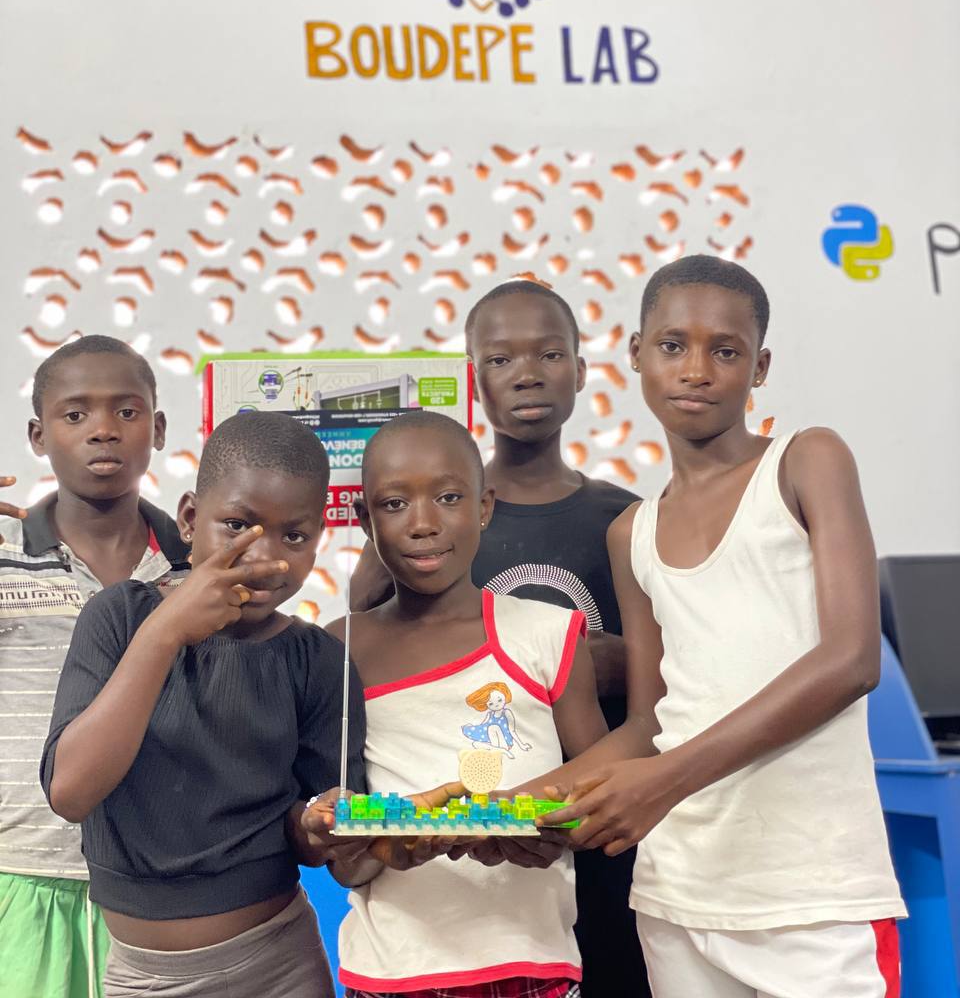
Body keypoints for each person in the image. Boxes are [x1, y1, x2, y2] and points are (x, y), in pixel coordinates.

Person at [538, 255, 906, 998]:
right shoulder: (632, 533)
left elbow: (851, 659)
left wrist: (664, 781)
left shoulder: (807, 462)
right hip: (677, 898)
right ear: (637, 354)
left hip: (816, 899)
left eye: (726, 351)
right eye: (673, 345)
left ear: (760, 367)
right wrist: (496, 808)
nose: (696, 370)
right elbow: (650, 724)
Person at [351, 279, 650, 997]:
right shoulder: (423, 524)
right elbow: (371, 647)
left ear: (582, 368)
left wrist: (595, 662)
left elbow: (660, 683)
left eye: (549, 354)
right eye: (500, 358)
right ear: (473, 376)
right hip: (442, 889)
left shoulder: (625, 518)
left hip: (585, 829)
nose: (527, 374)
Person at [40, 411, 366, 998]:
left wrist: (321, 827)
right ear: (190, 518)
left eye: (294, 537)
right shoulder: (120, 618)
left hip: (281, 965)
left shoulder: (318, 660)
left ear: (319, 538)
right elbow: (71, 793)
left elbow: (315, 837)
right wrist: (166, 632)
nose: (265, 557)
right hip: (142, 976)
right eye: (238, 525)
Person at [320, 409, 608, 997]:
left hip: (533, 962)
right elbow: (345, 856)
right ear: (365, 519)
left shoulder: (549, 632)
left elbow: (600, 789)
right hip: (391, 970)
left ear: (484, 507)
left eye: (449, 498)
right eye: (394, 504)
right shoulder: (339, 648)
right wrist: (381, 843)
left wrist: (549, 825)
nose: (423, 524)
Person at [0, 335, 188, 998]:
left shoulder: (196, 566)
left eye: (126, 412)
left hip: (164, 887)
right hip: (21, 877)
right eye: (75, 414)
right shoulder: (3, 555)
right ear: (38, 435)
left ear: (157, 429)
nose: (103, 429)